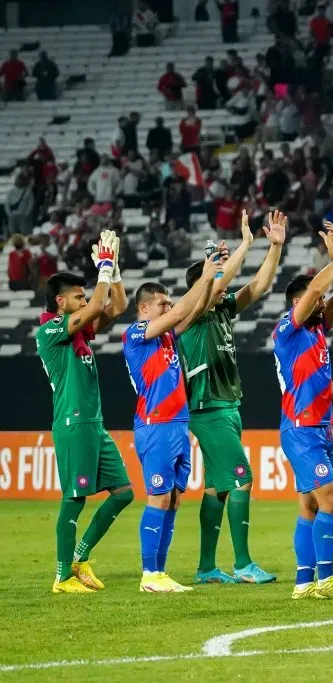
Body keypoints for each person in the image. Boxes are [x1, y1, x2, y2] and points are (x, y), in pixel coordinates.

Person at [179, 210, 286, 585]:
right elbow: (219, 281)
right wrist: (244, 245)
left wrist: (274, 248)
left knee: (217, 488)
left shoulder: (222, 310)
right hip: (207, 408)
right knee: (242, 477)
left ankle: (207, 567)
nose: (223, 285)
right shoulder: (189, 316)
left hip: (228, 406)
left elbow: (257, 286)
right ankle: (243, 564)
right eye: (215, 279)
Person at [122, 249, 223, 593]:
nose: (168, 308)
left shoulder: (165, 336)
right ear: (144, 309)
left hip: (178, 424)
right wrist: (205, 274)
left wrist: (212, 278)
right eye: (162, 304)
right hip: (156, 425)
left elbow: (195, 309)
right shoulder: (135, 333)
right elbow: (183, 308)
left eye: (167, 303)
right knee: (159, 497)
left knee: (175, 498)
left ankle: (160, 573)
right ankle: (149, 574)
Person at [37, 232, 132, 594]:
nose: (84, 298)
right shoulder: (50, 331)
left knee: (123, 492)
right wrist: (103, 267)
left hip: (94, 423)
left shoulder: (79, 332)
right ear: (61, 302)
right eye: (77, 295)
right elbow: (96, 307)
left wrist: (116, 270)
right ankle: (62, 577)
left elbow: (117, 306)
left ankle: (80, 557)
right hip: (73, 422)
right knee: (73, 499)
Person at [273, 221, 333, 600]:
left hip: (318, 427)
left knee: (309, 504)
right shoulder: (287, 329)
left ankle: (304, 582)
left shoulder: (316, 330)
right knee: (332, 498)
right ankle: (326, 579)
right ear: (298, 302)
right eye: (314, 298)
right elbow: (322, 288)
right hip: (300, 428)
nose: (322, 302)